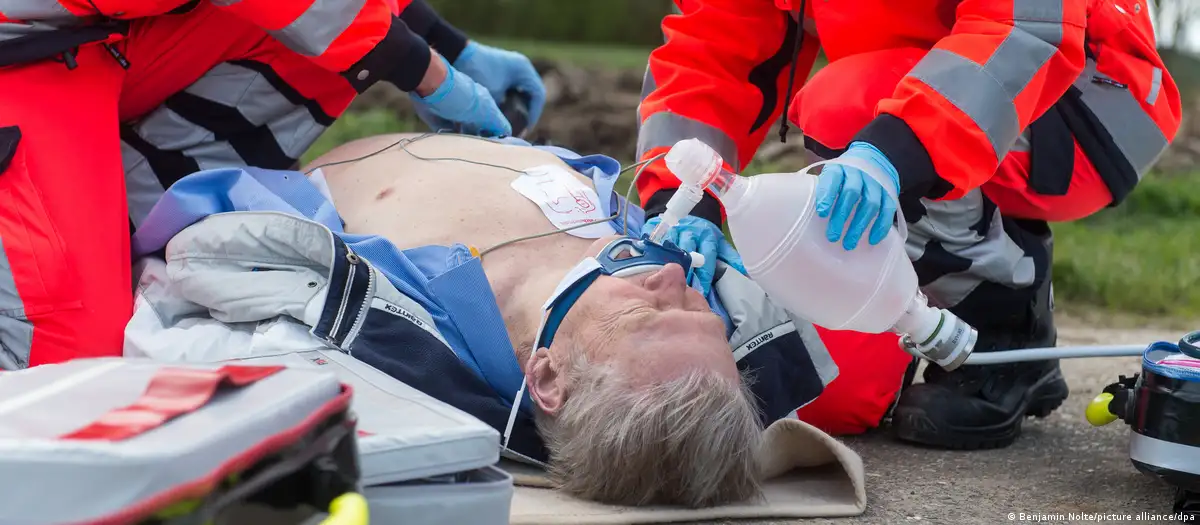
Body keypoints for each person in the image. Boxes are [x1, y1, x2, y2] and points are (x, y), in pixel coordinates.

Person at [122, 132, 847, 507]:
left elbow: (202, 269)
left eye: (651, 314)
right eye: (703, 311)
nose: (674, 277)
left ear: (549, 378)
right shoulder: (684, 279)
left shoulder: (414, 317)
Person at [635, 0, 1182, 450]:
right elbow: (711, 54)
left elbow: (1026, 31)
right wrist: (679, 202)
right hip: (917, 94)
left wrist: (891, 151)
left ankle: (1004, 315)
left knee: (844, 106)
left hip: (1088, 93)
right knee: (829, 399)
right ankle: (928, 308)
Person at [0, 0, 546, 371]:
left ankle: (115, 220)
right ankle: (46, 240)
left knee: (343, 47)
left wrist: (442, 40)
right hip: (19, 50)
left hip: (97, 37)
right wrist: (429, 71)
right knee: (66, 361)